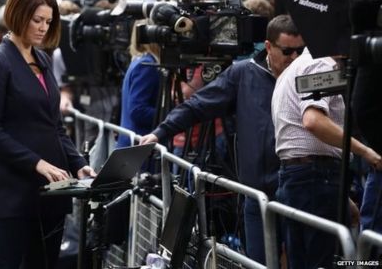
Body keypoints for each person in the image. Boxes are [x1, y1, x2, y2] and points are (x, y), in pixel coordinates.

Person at [140, 15, 304, 264]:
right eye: (288, 51)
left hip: (299, 192)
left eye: (300, 51)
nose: (294, 58)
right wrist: (160, 132)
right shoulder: (244, 74)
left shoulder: (307, 73)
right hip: (257, 195)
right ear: (269, 47)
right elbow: (197, 106)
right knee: (258, 262)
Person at [0, 0, 95, 269]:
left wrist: (78, 163)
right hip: (12, 190)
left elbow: (54, 125)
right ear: (17, 15)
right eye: (37, 20)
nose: (43, 28)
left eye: (48, 22)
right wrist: (36, 163)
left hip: (52, 189)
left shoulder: (41, 59)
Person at [271, 46, 382, 268]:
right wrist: (366, 151)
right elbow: (313, 120)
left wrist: (341, 196)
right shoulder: (320, 63)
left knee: (302, 261)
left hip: (299, 177)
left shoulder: (292, 69)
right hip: (315, 177)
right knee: (321, 262)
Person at [116, 24, 160, 149]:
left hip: (134, 143)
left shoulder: (140, 61)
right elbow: (138, 110)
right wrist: (169, 115)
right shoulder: (147, 65)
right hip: (140, 145)